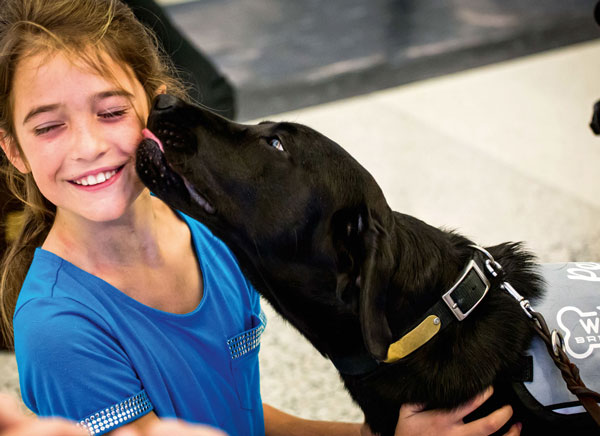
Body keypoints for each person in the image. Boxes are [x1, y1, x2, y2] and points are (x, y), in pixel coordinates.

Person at [0, 1, 520, 435]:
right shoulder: (58, 331)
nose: (88, 146)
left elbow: (241, 417)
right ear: (14, 150)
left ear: (153, 104)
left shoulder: (213, 237)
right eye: (49, 127)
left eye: (111, 112)